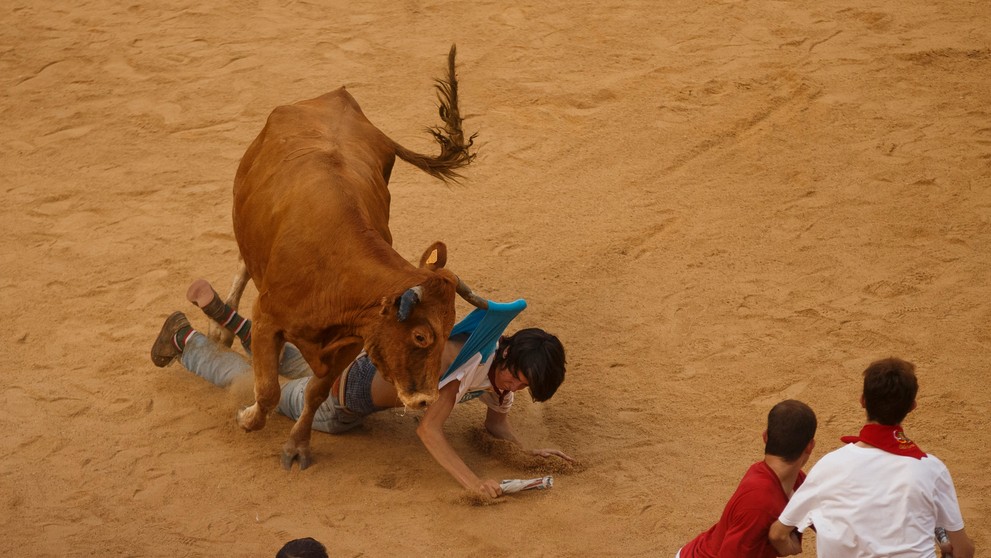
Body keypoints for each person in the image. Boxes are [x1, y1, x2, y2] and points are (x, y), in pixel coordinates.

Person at [151, 279, 574, 498]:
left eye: (523, 385)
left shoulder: (494, 356)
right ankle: (185, 342)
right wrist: (471, 482)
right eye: (515, 376)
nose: (513, 386)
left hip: (352, 358)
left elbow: (497, 424)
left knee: (292, 356)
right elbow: (428, 431)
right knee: (257, 387)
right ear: (508, 355)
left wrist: (526, 451)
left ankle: (223, 313)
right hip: (337, 406)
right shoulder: (467, 366)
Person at [769, 357, 975, 558]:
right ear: (912, 406)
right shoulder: (932, 469)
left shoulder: (829, 466)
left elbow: (778, 534)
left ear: (863, 401)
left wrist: (791, 547)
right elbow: (964, 551)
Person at [675, 400, 817, 558]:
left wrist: (783, 539)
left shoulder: (797, 481)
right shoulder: (758, 503)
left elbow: (830, 522)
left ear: (765, 437)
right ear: (810, 446)